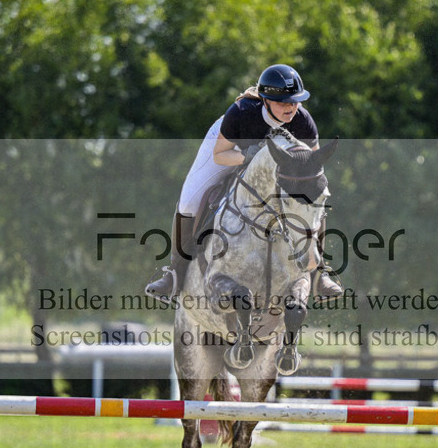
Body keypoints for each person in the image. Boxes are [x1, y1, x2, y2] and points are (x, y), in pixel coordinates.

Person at [145, 64, 344, 303]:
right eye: (282, 102)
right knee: (189, 202)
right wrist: (248, 156)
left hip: (274, 165)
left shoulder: (302, 120)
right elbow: (220, 155)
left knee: (311, 198)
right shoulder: (242, 113)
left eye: (295, 101)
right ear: (266, 100)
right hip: (230, 149)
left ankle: (320, 273)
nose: (290, 107)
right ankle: (174, 273)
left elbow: (312, 164)